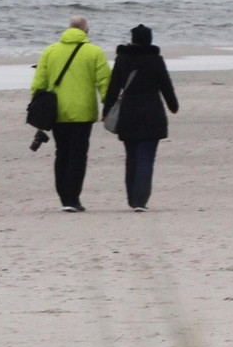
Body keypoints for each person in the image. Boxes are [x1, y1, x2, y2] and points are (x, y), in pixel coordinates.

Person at [31, 16, 111, 212]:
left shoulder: (50, 51)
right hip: (83, 112)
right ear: (86, 31)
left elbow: (38, 83)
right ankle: (73, 198)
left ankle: (64, 196)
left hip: (57, 111)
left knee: (62, 153)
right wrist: (108, 106)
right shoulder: (94, 52)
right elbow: (104, 82)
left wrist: (37, 105)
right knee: (78, 155)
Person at [101, 24, 179, 212]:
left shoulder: (122, 60)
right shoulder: (156, 60)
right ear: (150, 40)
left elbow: (113, 88)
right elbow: (166, 85)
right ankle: (140, 200)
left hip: (128, 114)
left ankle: (132, 198)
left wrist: (106, 110)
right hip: (152, 114)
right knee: (146, 157)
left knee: (131, 157)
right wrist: (173, 105)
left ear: (133, 39)